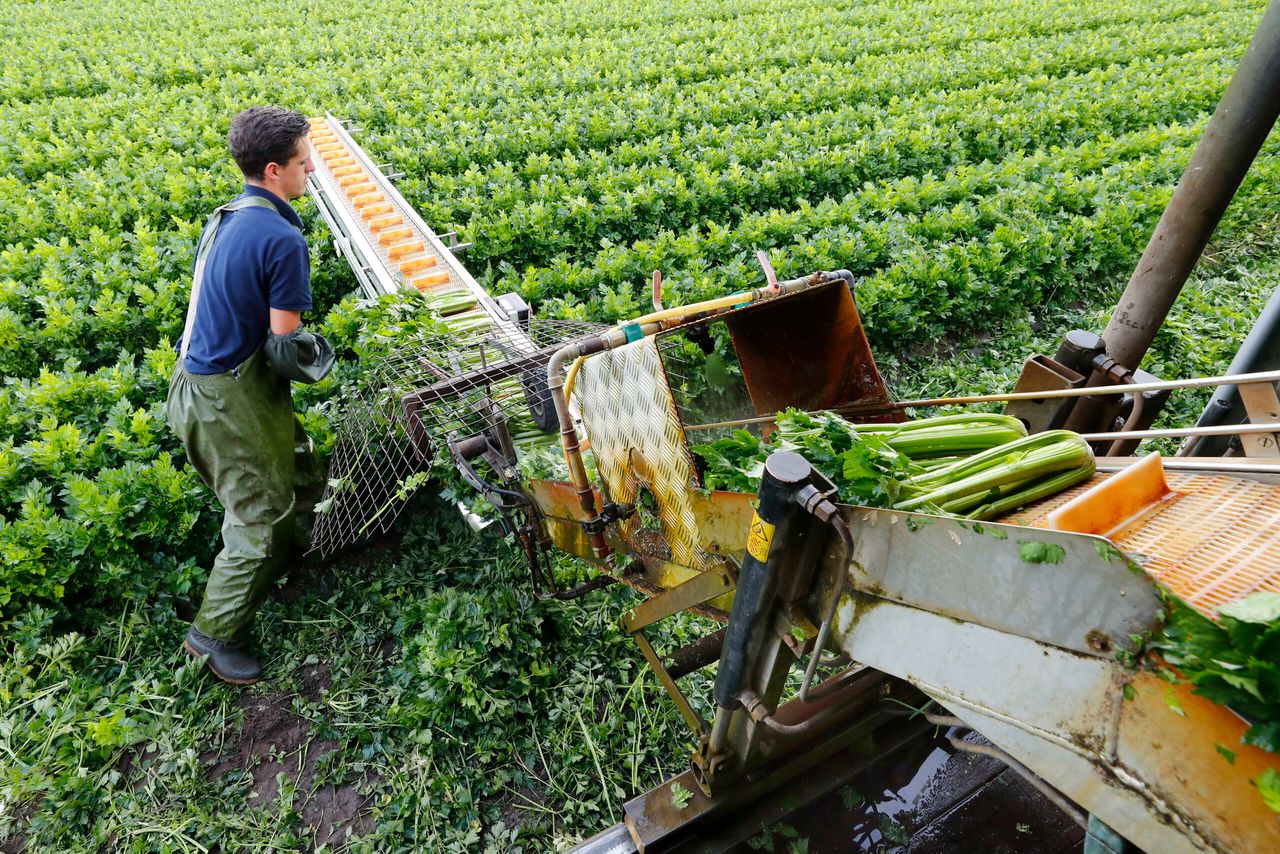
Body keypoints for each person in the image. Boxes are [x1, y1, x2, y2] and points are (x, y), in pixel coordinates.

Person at [167, 106, 334, 685]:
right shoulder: (282, 237)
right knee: (258, 519)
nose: (310, 173)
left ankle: (298, 554)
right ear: (273, 170)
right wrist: (327, 353)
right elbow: (284, 352)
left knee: (298, 464)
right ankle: (212, 637)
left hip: (198, 385)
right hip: (224, 401)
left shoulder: (231, 214)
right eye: (304, 165)